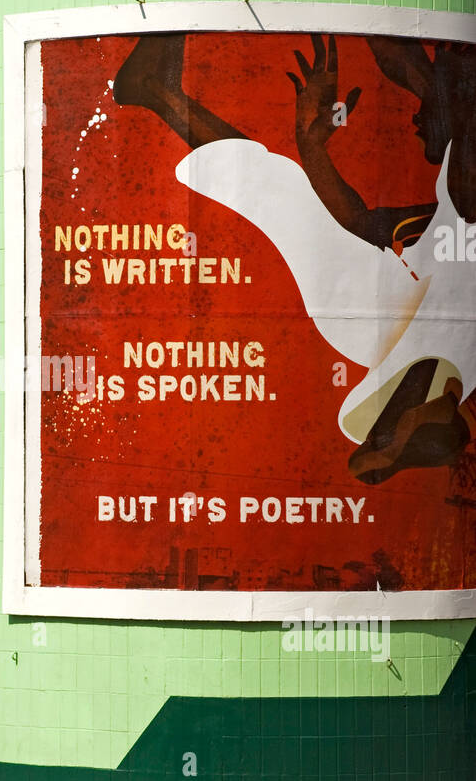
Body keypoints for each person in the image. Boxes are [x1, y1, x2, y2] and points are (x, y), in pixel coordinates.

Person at [112, 30, 476, 484]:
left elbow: (419, 78)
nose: (417, 119)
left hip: (387, 323)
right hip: (404, 320)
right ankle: (425, 402)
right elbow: (360, 224)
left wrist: (439, 80)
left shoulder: (461, 175)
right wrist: (312, 146)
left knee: (283, 193)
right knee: (286, 193)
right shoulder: (444, 222)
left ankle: (423, 402)